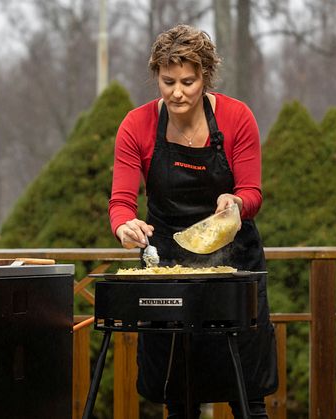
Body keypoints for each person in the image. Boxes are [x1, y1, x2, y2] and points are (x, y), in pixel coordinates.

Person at [108, 24, 278, 418]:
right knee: (179, 395)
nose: (177, 92)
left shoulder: (237, 118)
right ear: (156, 76)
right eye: (168, 81)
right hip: (169, 269)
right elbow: (121, 202)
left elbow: (253, 192)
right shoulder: (136, 126)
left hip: (235, 267)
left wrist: (235, 201)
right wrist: (124, 226)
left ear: (205, 76)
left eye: (188, 81)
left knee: (247, 392)